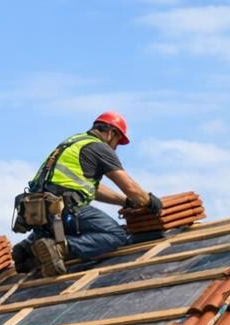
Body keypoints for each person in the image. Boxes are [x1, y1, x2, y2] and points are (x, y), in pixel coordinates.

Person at [11, 112, 162, 277]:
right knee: (116, 234)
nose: (116, 147)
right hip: (64, 210)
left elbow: (92, 189)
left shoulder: (74, 142)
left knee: (60, 225)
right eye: (118, 141)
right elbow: (130, 186)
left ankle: (27, 248)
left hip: (39, 212)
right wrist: (149, 201)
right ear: (111, 132)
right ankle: (60, 248)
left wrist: (125, 202)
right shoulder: (99, 147)